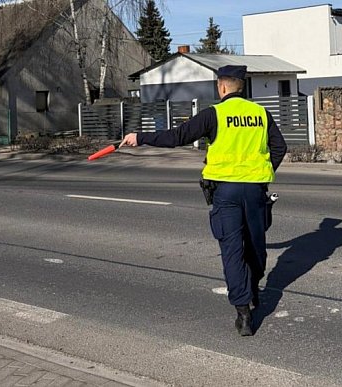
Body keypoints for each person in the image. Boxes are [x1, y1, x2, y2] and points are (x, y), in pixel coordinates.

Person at [119, 65, 287, 336]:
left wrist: (141, 137)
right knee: (255, 246)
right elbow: (280, 147)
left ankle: (244, 314)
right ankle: (254, 290)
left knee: (232, 251)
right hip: (255, 190)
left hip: (226, 192)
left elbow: (178, 136)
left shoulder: (214, 114)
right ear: (241, 87)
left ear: (221, 86)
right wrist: (263, 172)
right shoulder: (261, 113)